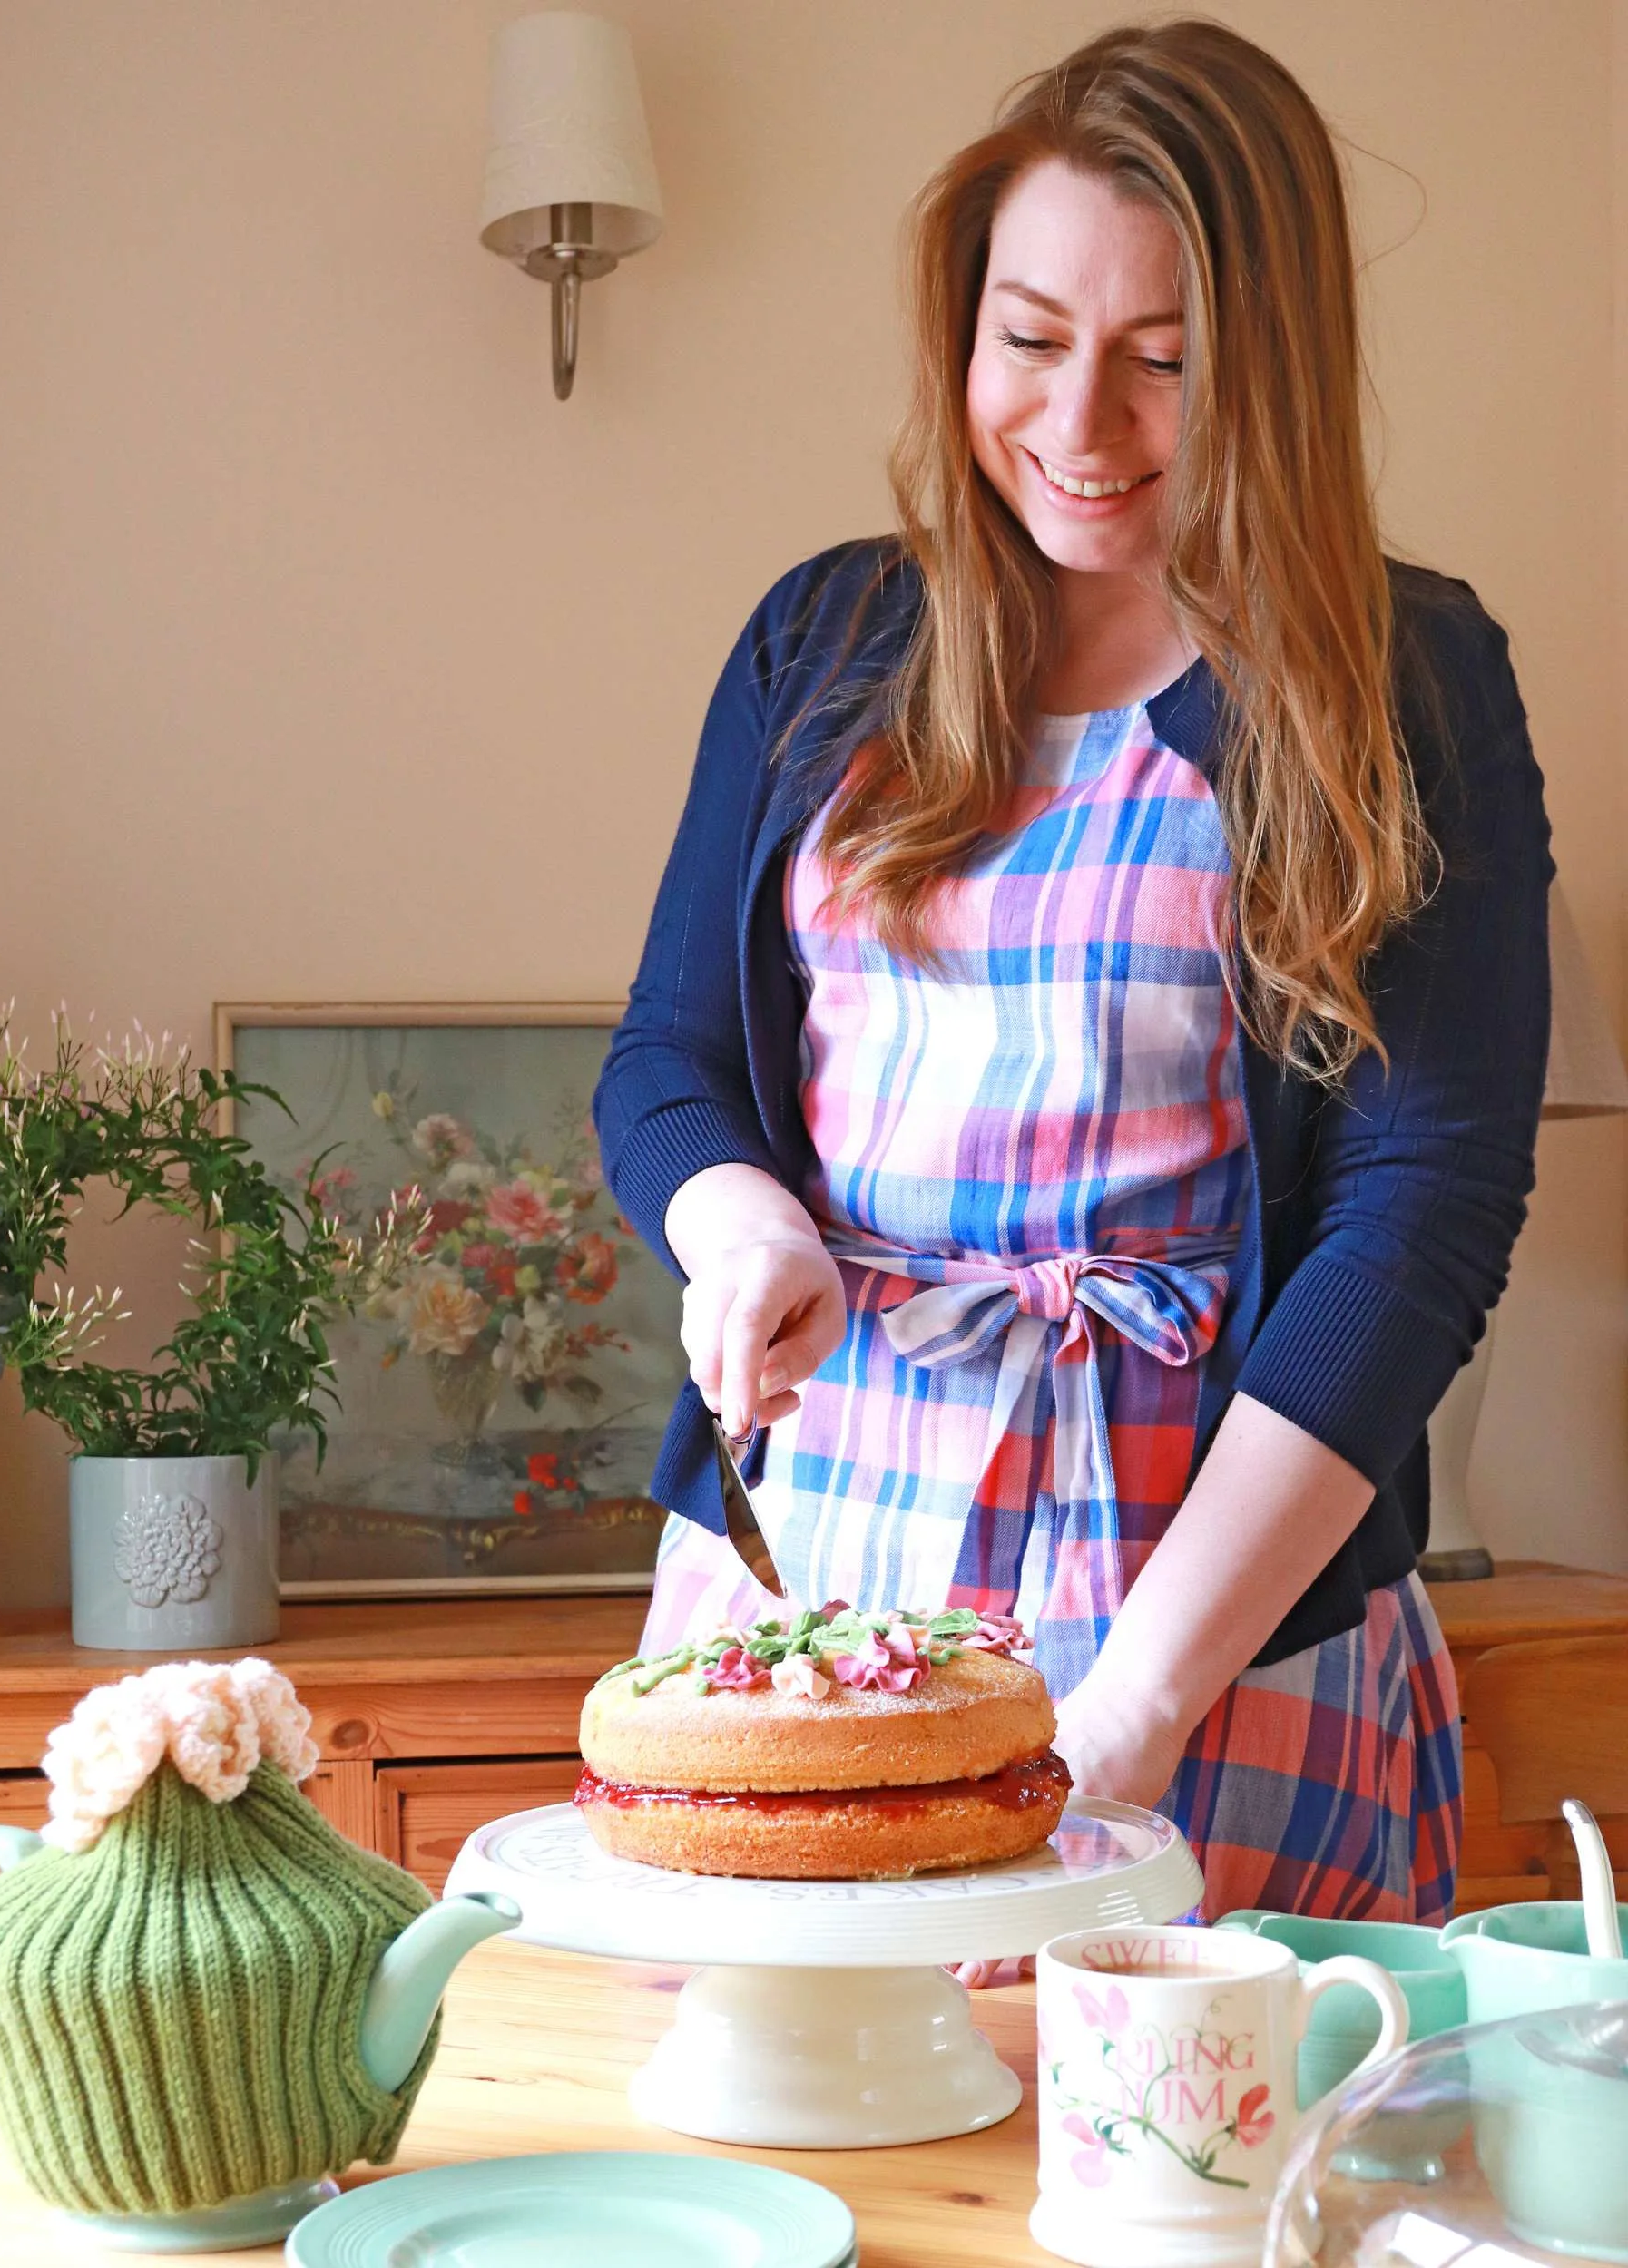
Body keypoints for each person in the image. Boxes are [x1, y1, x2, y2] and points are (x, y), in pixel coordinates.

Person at [593, 18, 1552, 1926]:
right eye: (1030, 340)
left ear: (1274, 368)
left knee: (1193, 2196)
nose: (1080, 426)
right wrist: (739, 1223)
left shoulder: (1403, 683)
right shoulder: (830, 643)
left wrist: (1133, 1703)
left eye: (1164, 363)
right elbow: (669, 1058)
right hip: (816, 1575)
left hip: (1212, 1620)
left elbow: (1417, 1218)